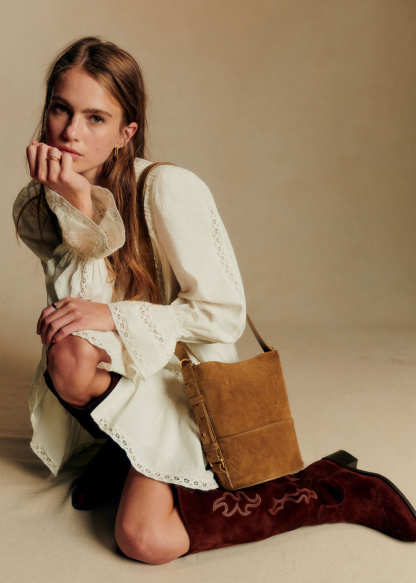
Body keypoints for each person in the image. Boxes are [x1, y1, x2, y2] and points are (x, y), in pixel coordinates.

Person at [12, 36, 416, 565]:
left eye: (95, 118)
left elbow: (223, 315)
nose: (70, 132)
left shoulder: (166, 187)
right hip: (131, 375)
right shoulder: (57, 195)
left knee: (145, 541)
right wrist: (78, 210)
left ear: (125, 133)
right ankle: (125, 452)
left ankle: (328, 487)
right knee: (68, 351)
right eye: (61, 109)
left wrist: (114, 314)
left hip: (185, 384)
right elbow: (72, 314)